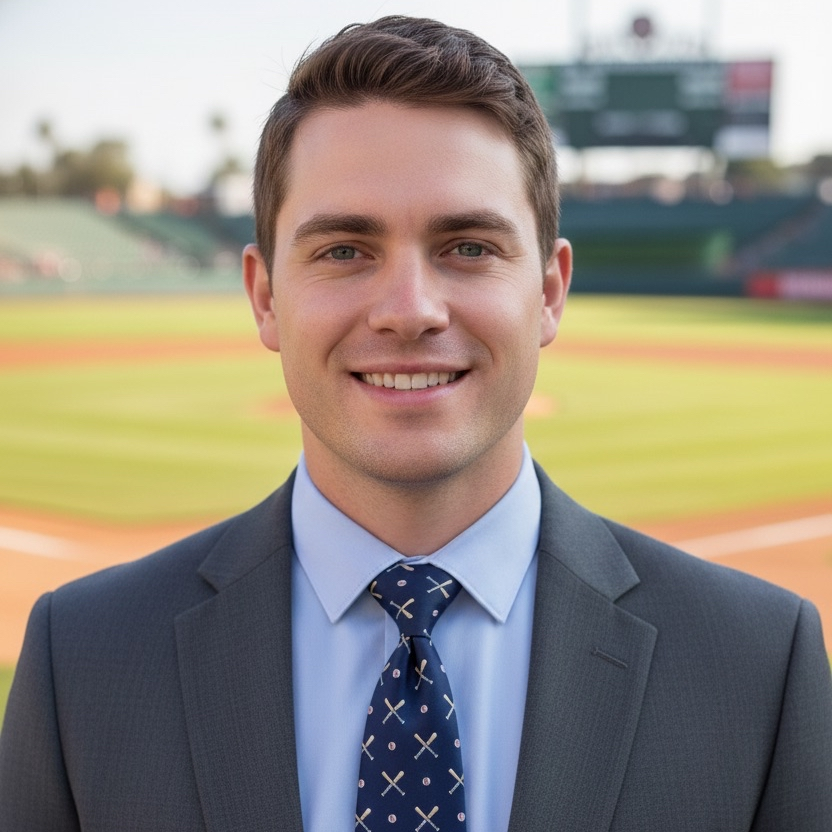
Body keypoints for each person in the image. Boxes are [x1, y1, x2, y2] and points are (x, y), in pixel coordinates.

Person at [1, 15, 831, 832]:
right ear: (264, 296)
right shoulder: (81, 662)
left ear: (548, 291)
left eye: (468, 247)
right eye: (344, 251)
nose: (409, 311)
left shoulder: (759, 665)